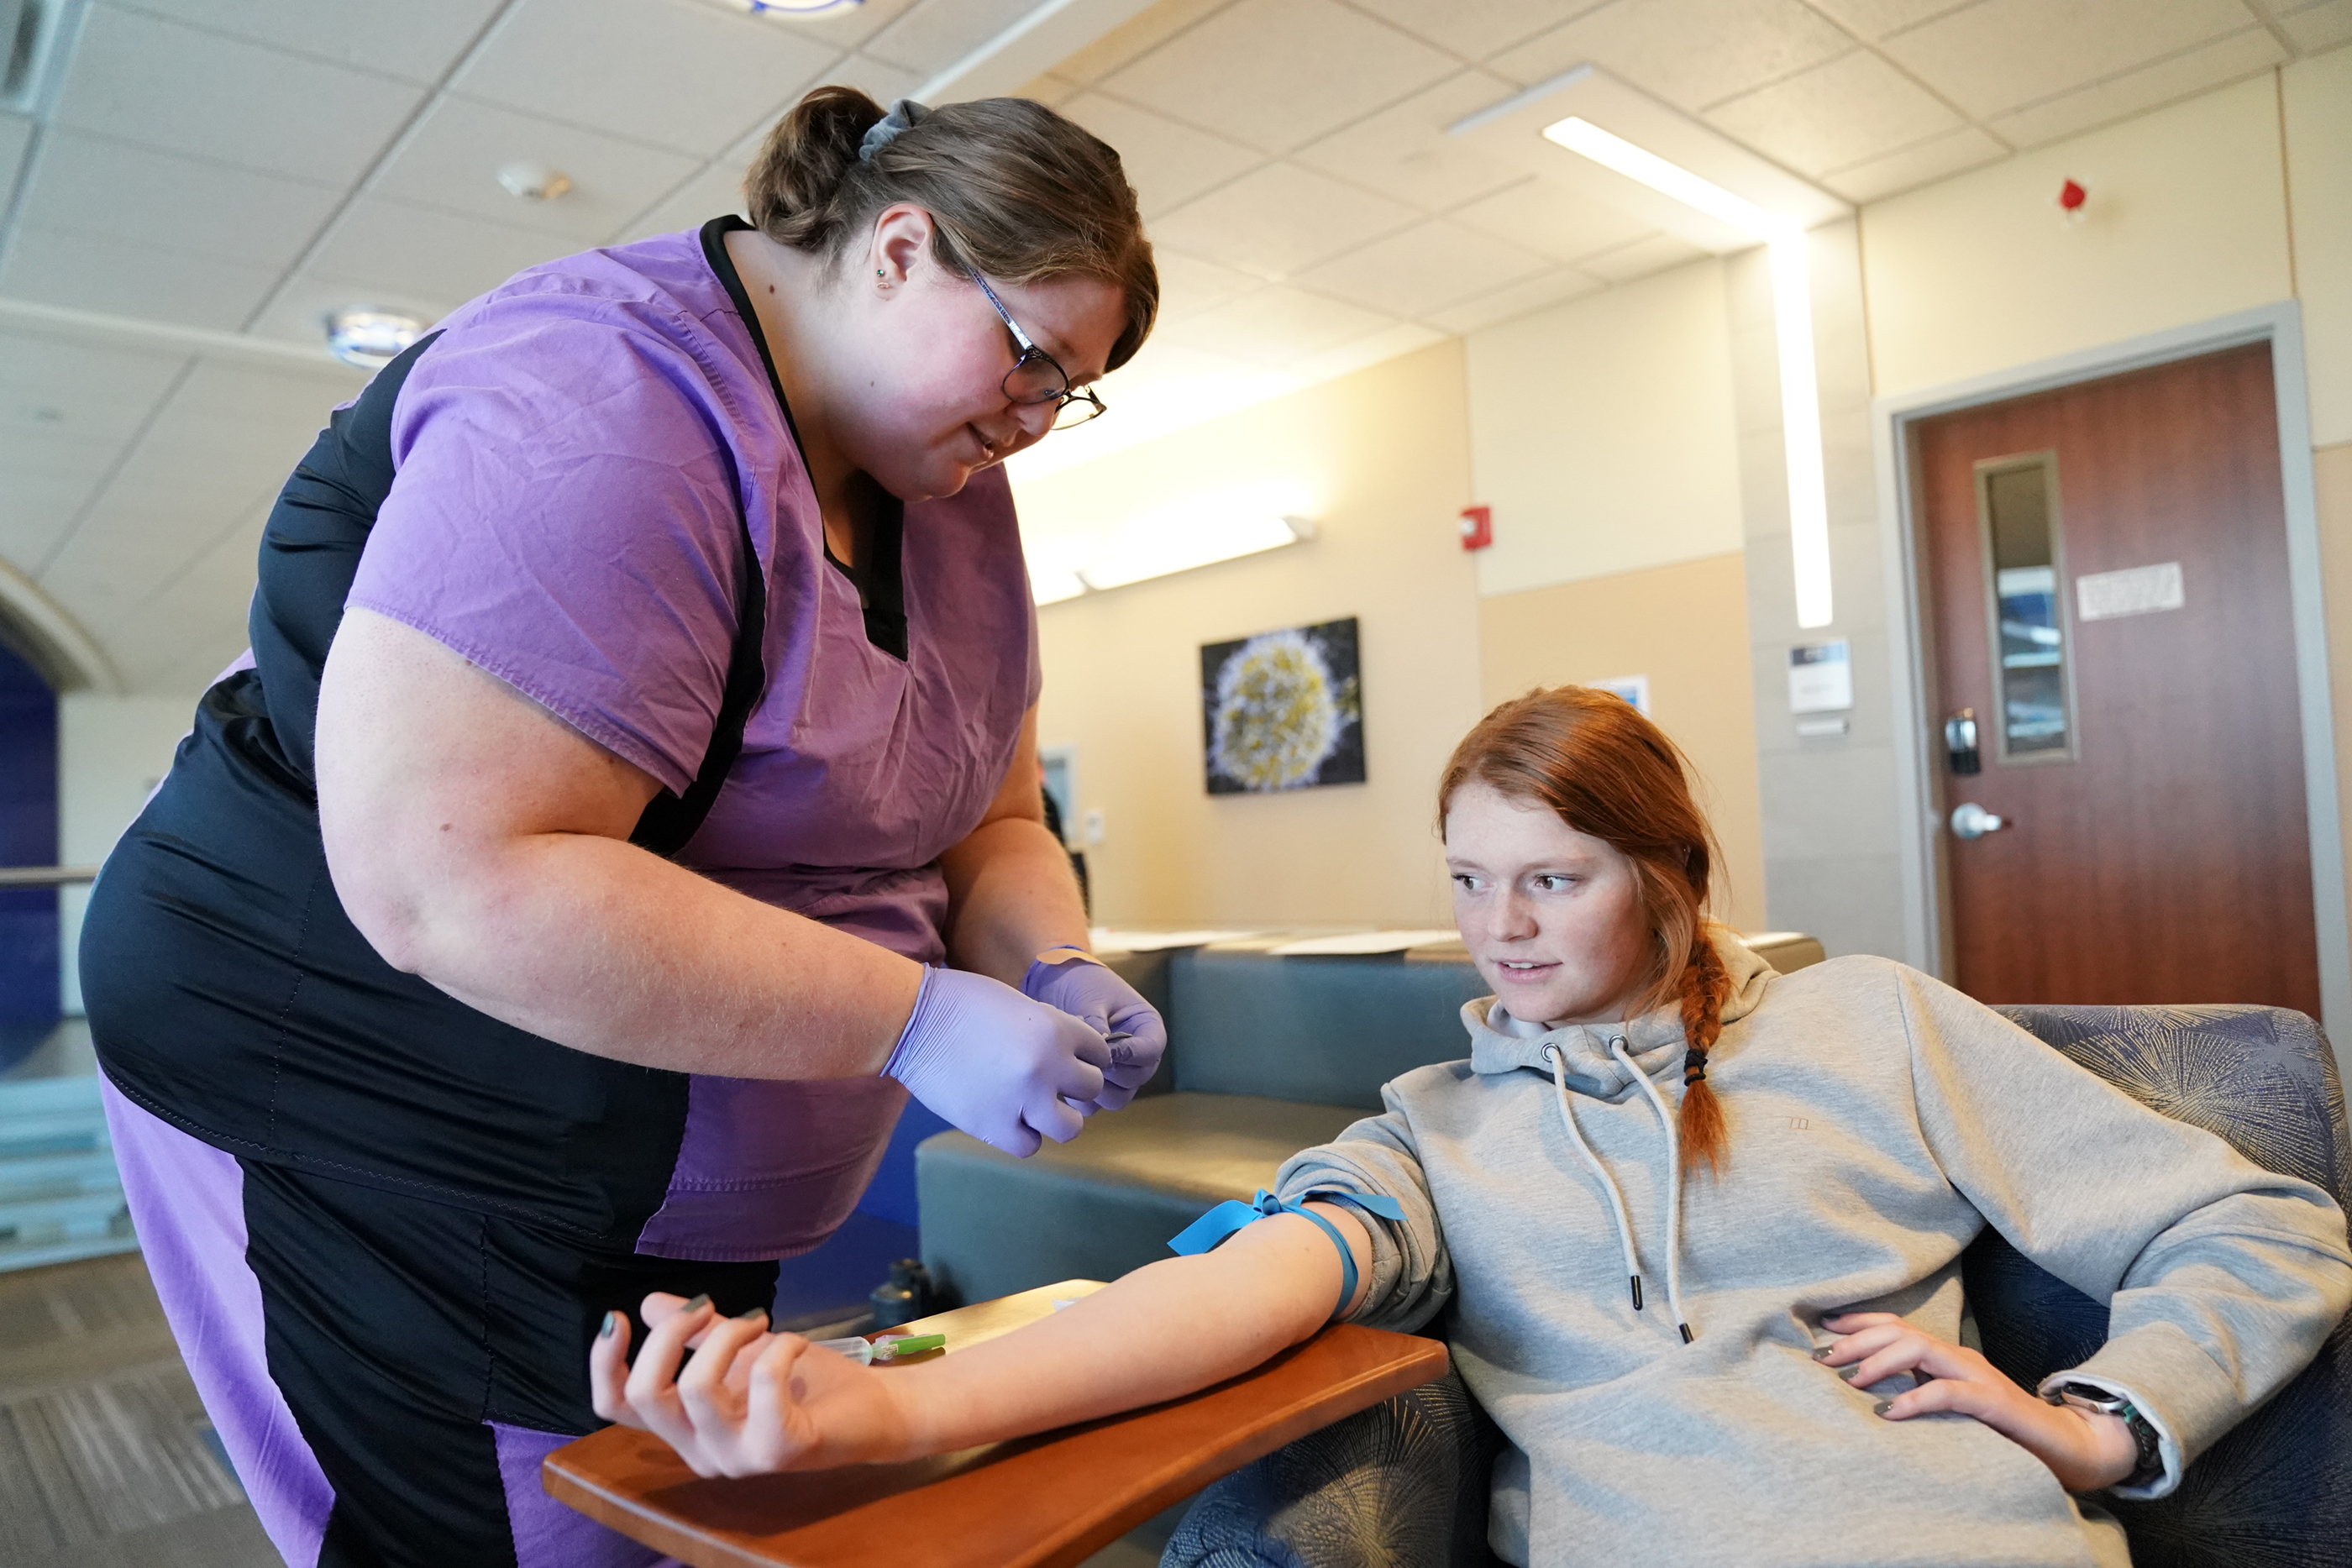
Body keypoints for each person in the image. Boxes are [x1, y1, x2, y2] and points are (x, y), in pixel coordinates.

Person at [78, 88, 1166, 1566]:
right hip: (389, 1088)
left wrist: (1050, 961)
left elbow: (986, 809)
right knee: (521, 1532)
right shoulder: (608, 408)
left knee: (677, 1505)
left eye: (1072, 393)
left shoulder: (944, 476)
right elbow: (455, 883)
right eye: (1032, 361)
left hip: (658, 1166)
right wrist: (913, 1021)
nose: (1037, 422)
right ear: (899, 247)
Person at [593, 686, 2352, 1568]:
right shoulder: (1429, 1124)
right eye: (1465, 881)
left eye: (1551, 879)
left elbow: (2260, 1222)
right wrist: (884, 1404)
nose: (1497, 927)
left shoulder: (1867, 1020)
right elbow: (1235, 1289)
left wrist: (2105, 1425)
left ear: (1666, 879)